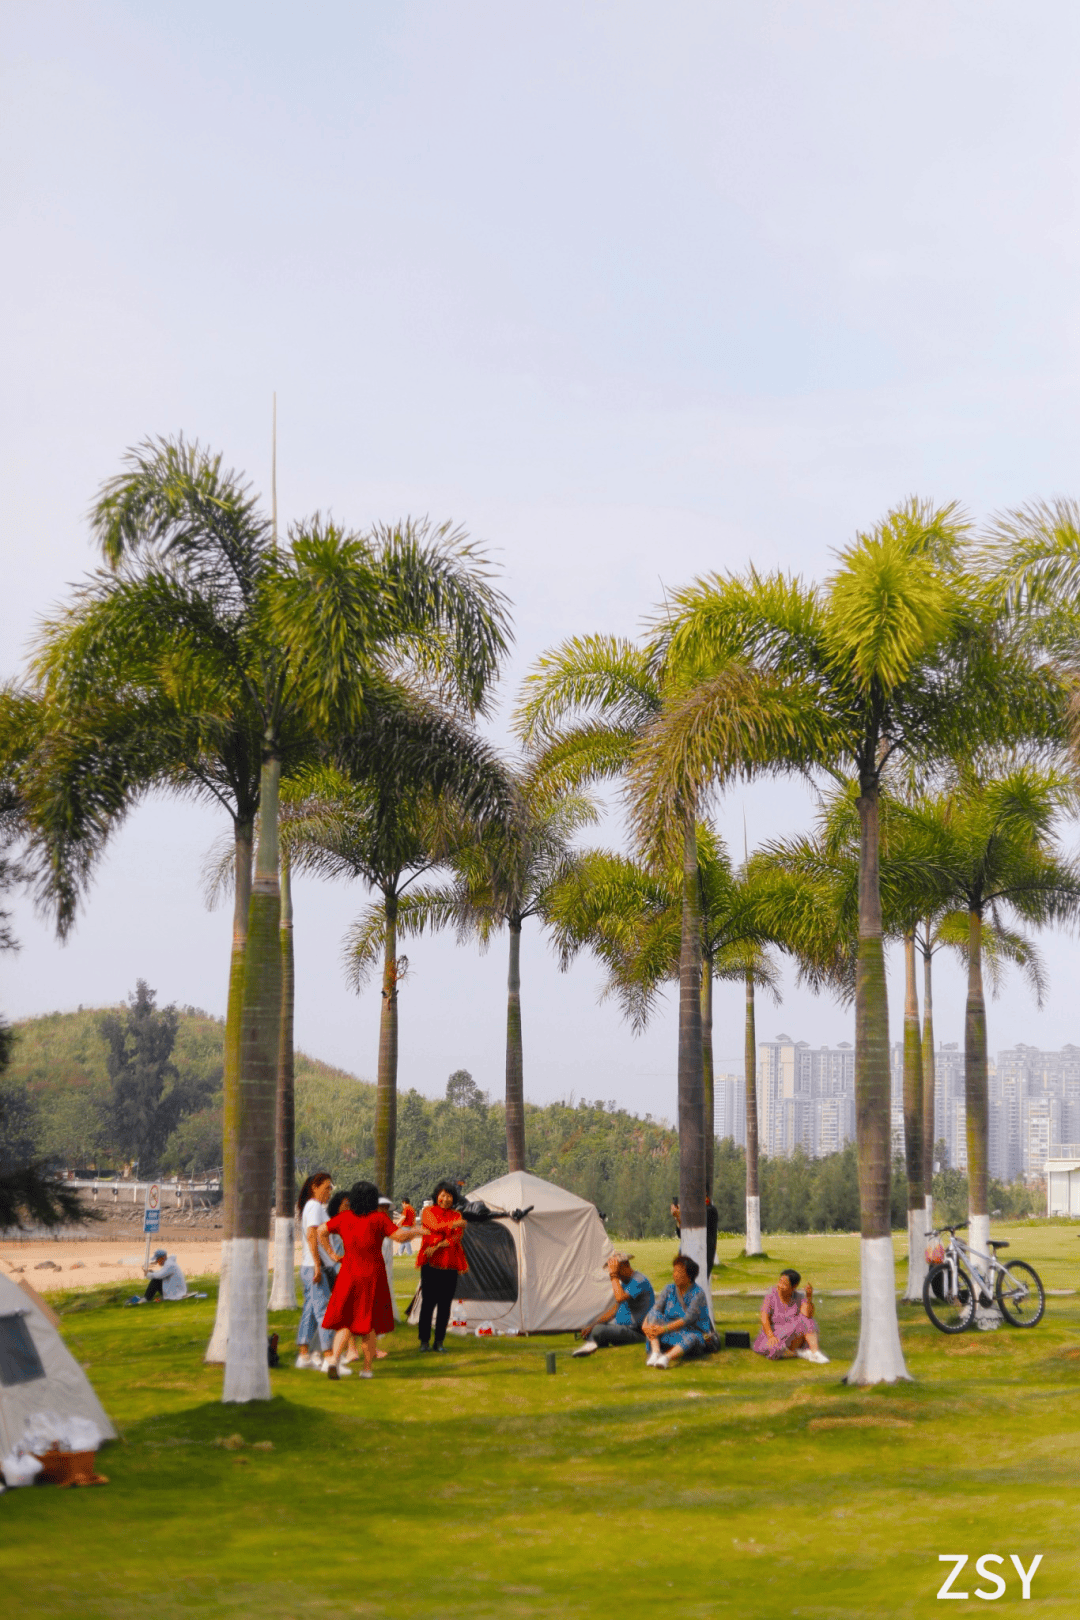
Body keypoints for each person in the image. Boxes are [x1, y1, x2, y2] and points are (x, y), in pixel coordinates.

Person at [317, 1181, 420, 1379]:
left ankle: (333, 1361)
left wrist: (331, 1253)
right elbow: (399, 1237)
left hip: (348, 1274)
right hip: (372, 1275)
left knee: (346, 1322)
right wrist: (418, 1231)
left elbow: (321, 1231)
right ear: (373, 1199)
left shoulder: (344, 1218)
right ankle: (366, 1369)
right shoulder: (379, 1218)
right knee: (368, 1324)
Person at [416, 1179, 469, 1353]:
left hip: (450, 1264)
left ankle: (439, 1342)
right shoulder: (428, 1211)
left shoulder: (456, 1215)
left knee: (445, 1305)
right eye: (443, 1195)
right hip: (431, 1264)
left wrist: (438, 1245)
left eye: (449, 1196)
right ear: (437, 1196)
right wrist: (452, 1226)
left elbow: (456, 1238)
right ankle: (424, 1341)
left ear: (454, 1199)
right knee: (428, 1303)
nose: (446, 1199)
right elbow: (434, 1226)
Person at [573, 1252, 655, 1355]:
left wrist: (613, 1275)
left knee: (599, 1330)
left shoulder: (639, 1281)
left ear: (624, 1266)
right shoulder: (626, 1282)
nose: (618, 1276)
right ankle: (595, 1341)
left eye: (617, 1271)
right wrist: (593, 1324)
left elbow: (619, 1297)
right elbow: (616, 1308)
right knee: (593, 1324)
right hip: (622, 1327)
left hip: (637, 1331)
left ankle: (594, 1342)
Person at [295, 1170, 337, 1369]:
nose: (329, 1191)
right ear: (315, 1187)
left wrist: (332, 1257)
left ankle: (304, 1354)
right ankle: (329, 1357)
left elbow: (319, 1237)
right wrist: (318, 1266)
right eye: (327, 1187)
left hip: (309, 1266)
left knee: (311, 1310)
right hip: (314, 1267)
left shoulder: (312, 1207)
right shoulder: (314, 1206)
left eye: (331, 1187)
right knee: (324, 1311)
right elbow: (312, 1235)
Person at [642, 1253, 711, 1369]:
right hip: (669, 1329)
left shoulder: (698, 1294)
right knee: (653, 1315)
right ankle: (656, 1352)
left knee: (692, 1337)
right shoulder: (669, 1289)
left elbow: (687, 1319)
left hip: (690, 1331)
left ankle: (666, 1358)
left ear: (689, 1276)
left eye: (679, 1272)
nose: (675, 1275)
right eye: (674, 1271)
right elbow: (655, 1309)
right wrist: (645, 1325)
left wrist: (663, 1329)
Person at [753, 1268, 828, 1363]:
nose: (780, 1285)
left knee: (807, 1320)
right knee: (773, 1348)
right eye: (780, 1281)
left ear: (794, 1286)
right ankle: (798, 1353)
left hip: (791, 1333)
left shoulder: (798, 1297)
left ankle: (815, 1352)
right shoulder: (771, 1295)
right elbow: (764, 1318)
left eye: (784, 1284)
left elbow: (808, 1316)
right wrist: (771, 1336)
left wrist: (809, 1297)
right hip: (774, 1333)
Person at [670, 1194, 720, 1278]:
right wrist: (678, 1218)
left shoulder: (710, 1211)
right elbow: (682, 1234)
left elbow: (695, 1229)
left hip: (700, 1260)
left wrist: (680, 1216)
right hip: (688, 1258)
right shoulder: (694, 1213)